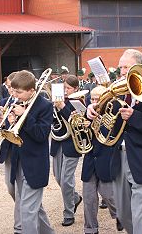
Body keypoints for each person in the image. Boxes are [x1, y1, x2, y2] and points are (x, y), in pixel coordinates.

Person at [87, 49, 142, 234]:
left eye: (126, 67)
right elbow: (103, 111)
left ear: (140, 68)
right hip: (118, 159)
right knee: (124, 215)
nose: (122, 71)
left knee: (140, 214)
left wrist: (135, 117)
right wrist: (92, 109)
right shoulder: (119, 92)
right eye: (121, 67)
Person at [8, 70, 55, 234]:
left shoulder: (45, 106)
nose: (15, 95)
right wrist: (10, 122)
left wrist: (25, 117)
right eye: (14, 91)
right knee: (33, 206)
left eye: (19, 92)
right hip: (20, 161)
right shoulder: (18, 103)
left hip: (35, 163)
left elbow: (41, 135)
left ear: (32, 91)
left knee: (27, 210)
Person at [81, 85, 123, 234]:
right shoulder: (88, 114)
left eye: (98, 99)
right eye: (92, 99)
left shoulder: (114, 115)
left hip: (107, 157)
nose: (94, 102)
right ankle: (90, 229)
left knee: (108, 194)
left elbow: (116, 136)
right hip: (90, 158)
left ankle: (120, 215)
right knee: (88, 198)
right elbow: (81, 139)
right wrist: (83, 126)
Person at [51, 74, 83, 227]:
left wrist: (62, 107)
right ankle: (75, 197)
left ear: (76, 88)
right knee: (58, 177)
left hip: (72, 144)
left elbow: (76, 123)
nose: (65, 91)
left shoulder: (78, 102)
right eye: (63, 88)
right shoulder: (57, 101)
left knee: (66, 180)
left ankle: (68, 212)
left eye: (68, 88)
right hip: (58, 143)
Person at [0, 71, 22, 234]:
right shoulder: (6, 101)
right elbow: (3, 128)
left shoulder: (25, 103)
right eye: (9, 88)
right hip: (8, 150)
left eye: (13, 89)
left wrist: (15, 120)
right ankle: (27, 209)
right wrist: (0, 121)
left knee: (20, 190)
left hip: (20, 150)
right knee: (10, 187)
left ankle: (19, 226)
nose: (11, 92)